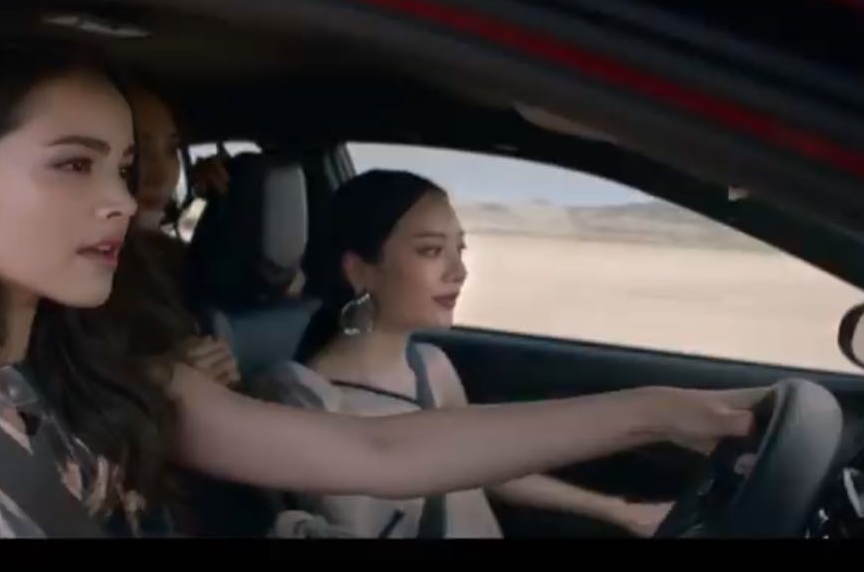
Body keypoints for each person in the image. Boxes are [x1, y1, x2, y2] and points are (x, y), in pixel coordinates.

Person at [0, 46, 765, 538]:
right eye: (74, 165)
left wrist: (652, 412)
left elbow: (376, 454)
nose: (123, 201)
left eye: (127, 168)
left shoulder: (96, 374)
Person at [255, 170, 676, 538]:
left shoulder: (431, 366)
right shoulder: (310, 401)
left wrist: (619, 511)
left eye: (460, 249)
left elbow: (488, 468)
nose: (459, 272)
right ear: (360, 270)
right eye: (431, 251)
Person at [118, 83, 239, 388]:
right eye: (140, 152)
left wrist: (219, 207)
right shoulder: (79, 280)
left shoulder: (176, 259)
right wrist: (163, 374)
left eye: (172, 150)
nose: (162, 175)